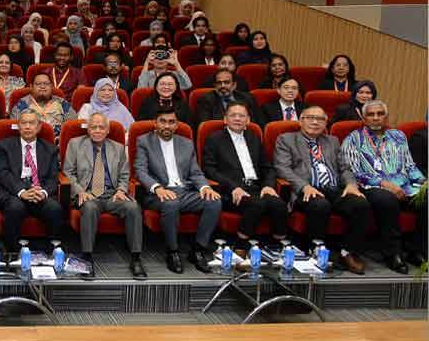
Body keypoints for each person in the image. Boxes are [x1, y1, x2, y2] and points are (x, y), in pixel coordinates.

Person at [273, 105, 371, 274]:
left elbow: (344, 168)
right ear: (301, 121)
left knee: (360, 204)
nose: (315, 122)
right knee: (320, 205)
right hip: (306, 188)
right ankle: (316, 249)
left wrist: (350, 184)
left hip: (333, 188)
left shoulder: (332, 141)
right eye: (310, 118)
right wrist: (304, 186)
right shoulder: (286, 139)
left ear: (326, 123)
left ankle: (347, 252)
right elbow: (283, 168)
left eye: (320, 119)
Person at [134, 106, 221, 273]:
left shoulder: (186, 143)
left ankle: (197, 250)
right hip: (157, 194)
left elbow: (195, 172)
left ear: (177, 125)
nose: (167, 126)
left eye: (171, 122)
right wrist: (157, 188)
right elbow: (140, 171)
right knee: (171, 203)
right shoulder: (144, 141)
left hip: (184, 191)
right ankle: (172, 252)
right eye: (163, 122)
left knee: (214, 201)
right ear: (155, 123)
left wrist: (204, 187)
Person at [342, 100, 426, 272]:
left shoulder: (398, 136)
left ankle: (416, 250)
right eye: (371, 115)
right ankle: (392, 253)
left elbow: (409, 165)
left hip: (405, 186)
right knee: (387, 200)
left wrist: (423, 181)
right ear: (363, 118)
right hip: (373, 187)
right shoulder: (353, 139)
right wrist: (385, 184)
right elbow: (355, 172)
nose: (376, 118)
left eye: (380, 114)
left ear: (386, 117)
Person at [63, 113, 145, 277]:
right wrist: (80, 191)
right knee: (90, 207)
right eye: (93, 127)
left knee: (133, 207)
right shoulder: (75, 144)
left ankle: (136, 257)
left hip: (111, 195)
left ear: (108, 130)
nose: (97, 130)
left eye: (101, 127)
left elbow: (124, 174)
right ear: (88, 129)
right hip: (87, 194)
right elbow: (68, 173)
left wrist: (122, 190)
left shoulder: (118, 148)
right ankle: (87, 257)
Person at [202, 102, 289, 248]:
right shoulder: (215, 138)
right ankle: (241, 245)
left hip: (256, 187)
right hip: (231, 190)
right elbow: (209, 169)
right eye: (233, 115)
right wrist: (233, 187)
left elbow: (267, 167)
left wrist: (268, 186)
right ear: (225, 119)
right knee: (257, 204)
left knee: (279, 204)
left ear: (248, 120)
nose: (237, 119)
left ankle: (276, 245)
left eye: (241, 116)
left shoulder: (254, 137)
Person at [0, 110, 63, 255]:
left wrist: (43, 192)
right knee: (15, 207)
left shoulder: (50, 149)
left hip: (39, 191)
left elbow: (53, 177)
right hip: (14, 192)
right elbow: (3, 173)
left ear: (39, 127)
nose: (27, 127)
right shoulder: (4, 146)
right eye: (23, 123)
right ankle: (11, 251)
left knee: (54, 208)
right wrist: (22, 192)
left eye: (32, 123)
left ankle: (50, 250)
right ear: (18, 127)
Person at [9, 72, 77, 139]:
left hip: (57, 143)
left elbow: (73, 126)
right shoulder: (22, 104)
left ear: (51, 86)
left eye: (46, 84)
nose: (42, 87)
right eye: (38, 84)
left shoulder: (62, 103)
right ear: (31, 87)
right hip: (31, 142)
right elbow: (15, 128)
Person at [194, 69, 262, 127]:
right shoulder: (205, 100)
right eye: (219, 83)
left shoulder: (247, 98)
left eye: (226, 82)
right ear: (215, 86)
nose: (222, 86)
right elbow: (205, 127)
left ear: (234, 85)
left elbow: (256, 124)